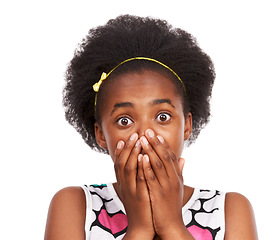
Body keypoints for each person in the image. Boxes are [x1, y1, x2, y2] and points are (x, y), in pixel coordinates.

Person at [44, 15, 258, 240]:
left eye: (163, 116)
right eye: (124, 120)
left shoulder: (229, 210)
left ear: (187, 125)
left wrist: (171, 225)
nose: (145, 135)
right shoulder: (75, 205)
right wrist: (140, 229)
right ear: (101, 135)